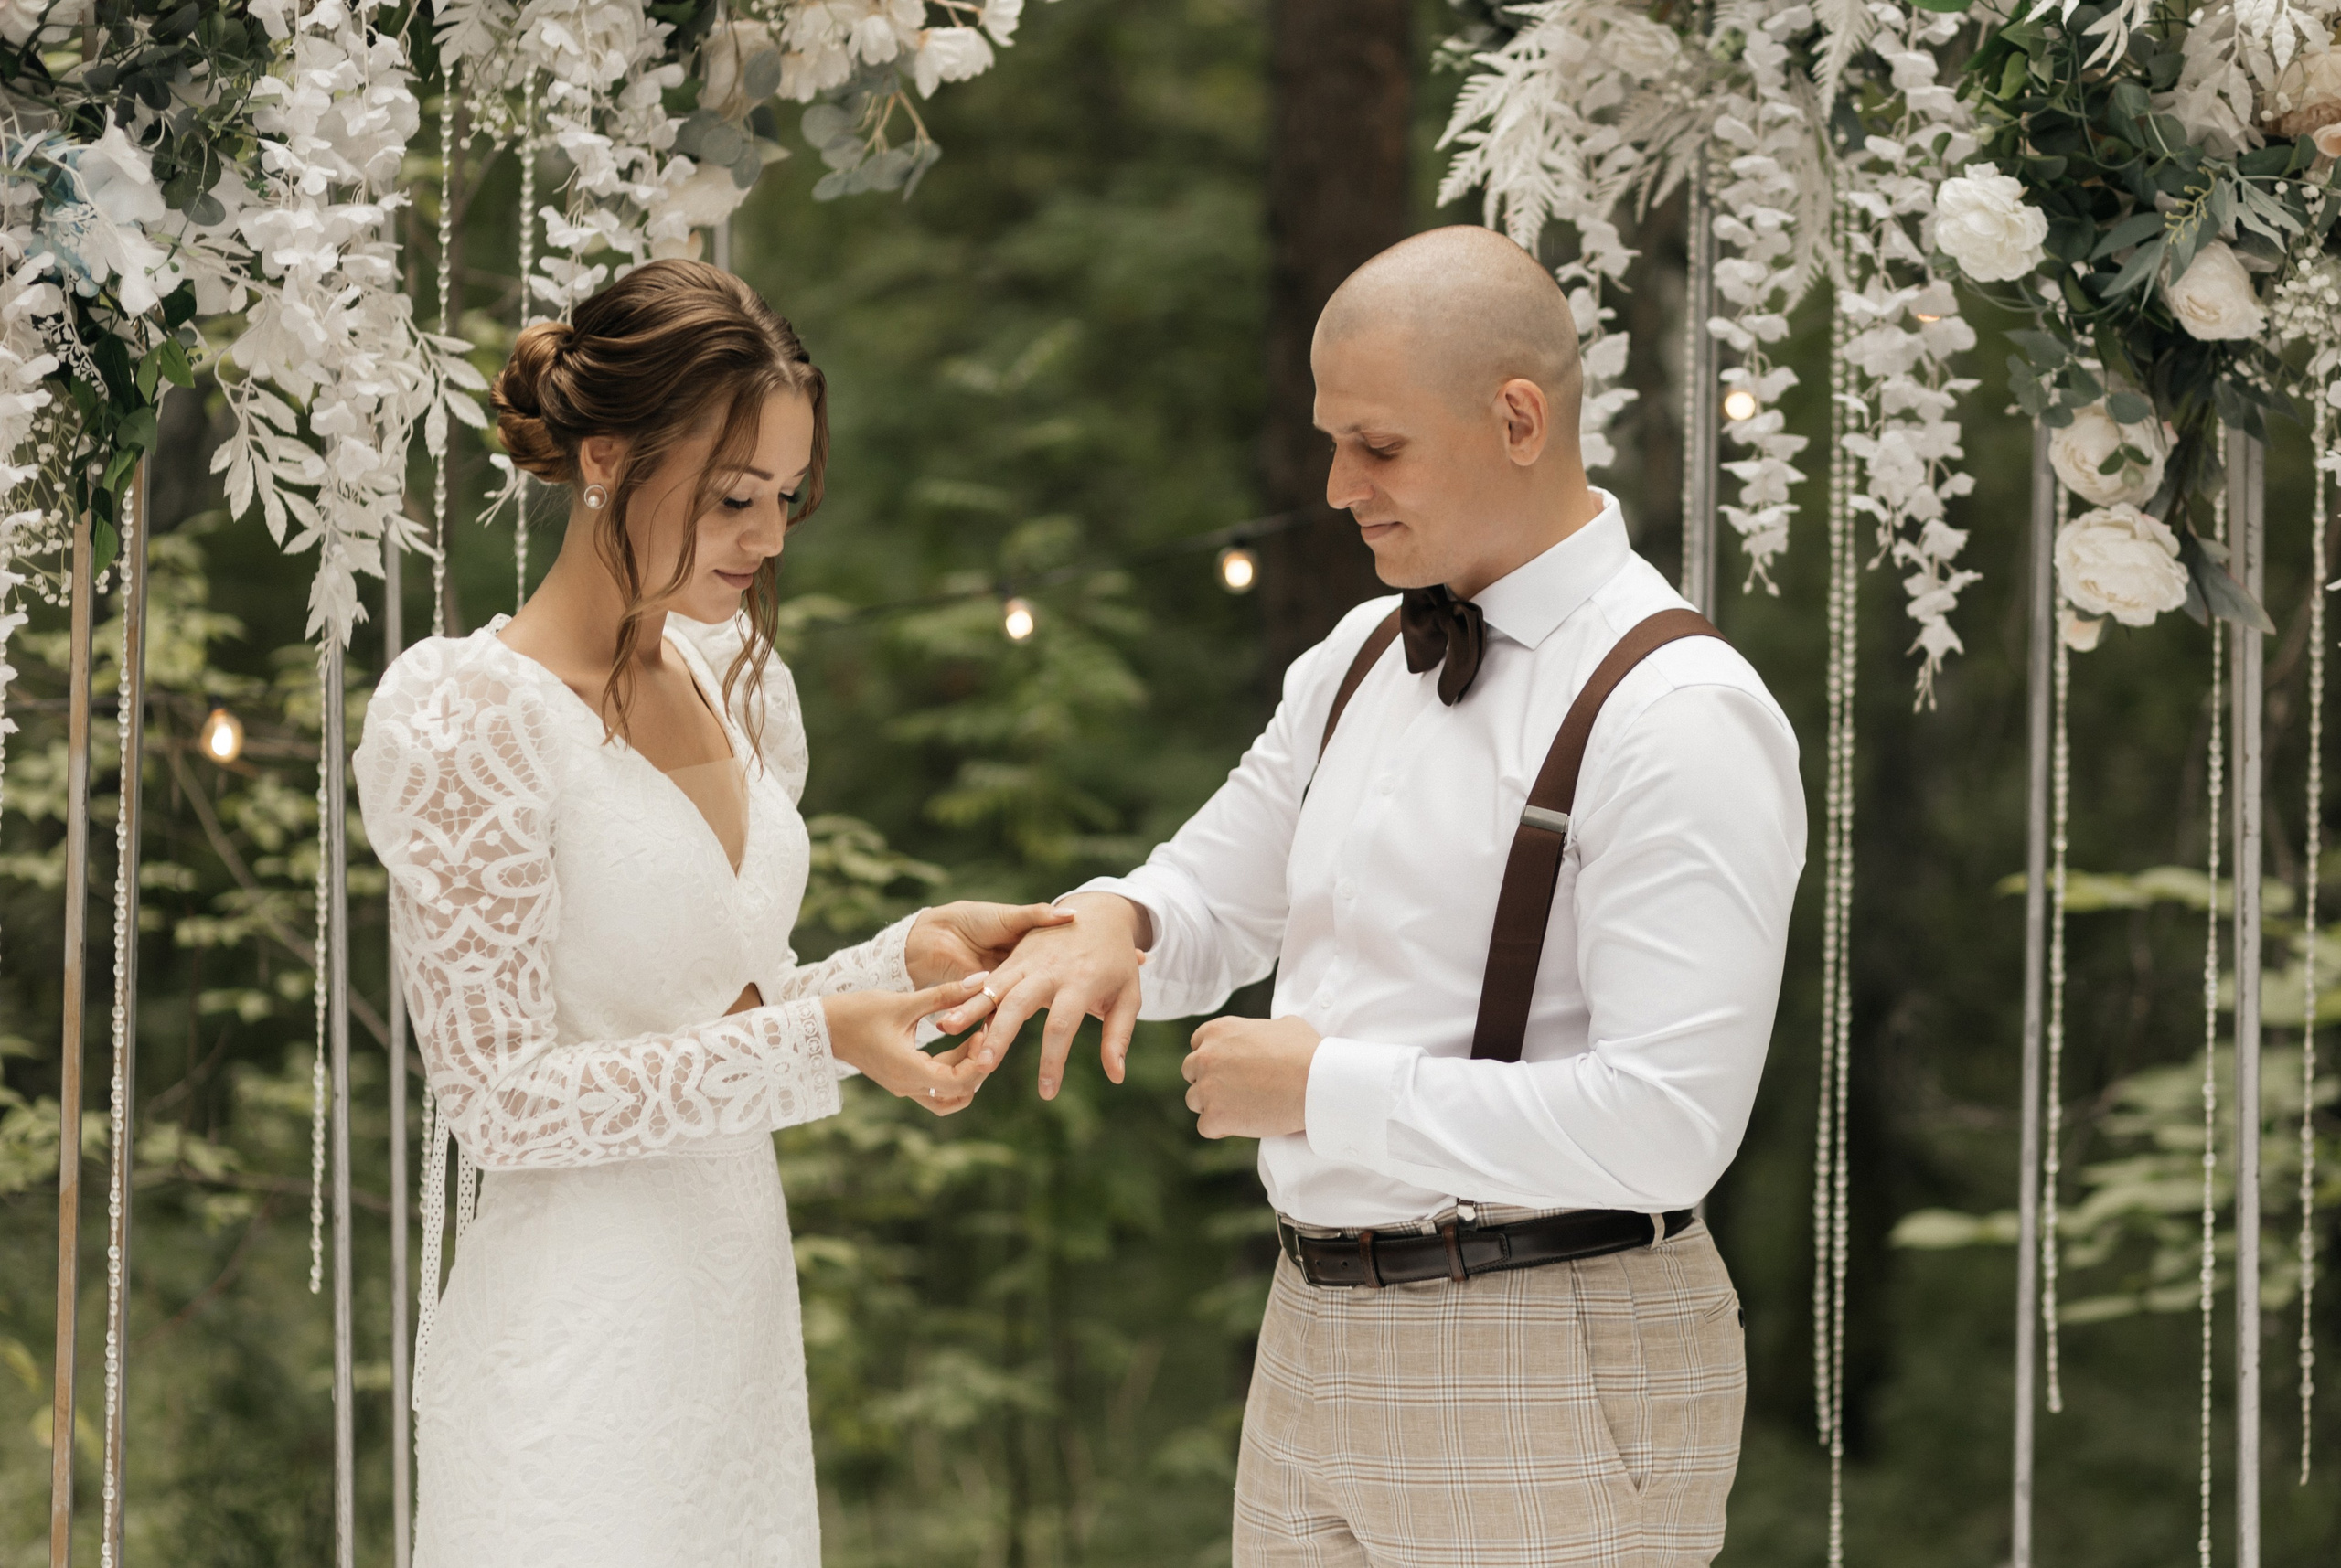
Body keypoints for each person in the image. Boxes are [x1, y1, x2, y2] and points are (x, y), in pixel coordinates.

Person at [943, 227, 1806, 1566]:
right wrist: (1115, 923)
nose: (1338, 486)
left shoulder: (1678, 712)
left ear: (1519, 418)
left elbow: (1669, 1126)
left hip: (1556, 1338)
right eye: (1331, 440)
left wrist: (1321, 1092)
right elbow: (1209, 896)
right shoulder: (1354, 656)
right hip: (1313, 1332)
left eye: (1379, 446)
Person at [353, 259, 1047, 1566]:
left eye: (785, 499)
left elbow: (716, 1007)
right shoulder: (471, 722)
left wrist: (901, 959)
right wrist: (824, 1040)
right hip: (575, 1346)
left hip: (731, 1325)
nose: (768, 538)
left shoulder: (737, 680)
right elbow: (500, 1098)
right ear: (608, 458)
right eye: (734, 498)